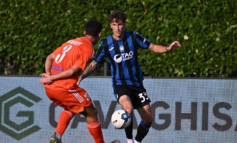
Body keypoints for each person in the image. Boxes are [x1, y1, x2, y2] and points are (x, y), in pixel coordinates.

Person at [77, 11, 181, 143]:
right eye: (115, 25)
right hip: (120, 85)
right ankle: (129, 140)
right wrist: (81, 76)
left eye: (120, 24)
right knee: (128, 110)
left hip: (137, 84)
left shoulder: (133, 36)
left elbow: (153, 47)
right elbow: (94, 64)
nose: (118, 28)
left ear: (124, 24)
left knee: (148, 119)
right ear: (111, 26)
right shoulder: (105, 44)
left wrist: (167, 48)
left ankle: (136, 142)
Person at [39, 19, 119, 143]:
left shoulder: (70, 42)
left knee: (73, 107)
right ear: (99, 34)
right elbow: (71, 71)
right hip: (64, 88)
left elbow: (50, 57)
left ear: (84, 31)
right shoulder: (88, 49)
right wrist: (51, 77)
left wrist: (48, 74)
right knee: (92, 112)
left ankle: (57, 136)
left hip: (49, 89)